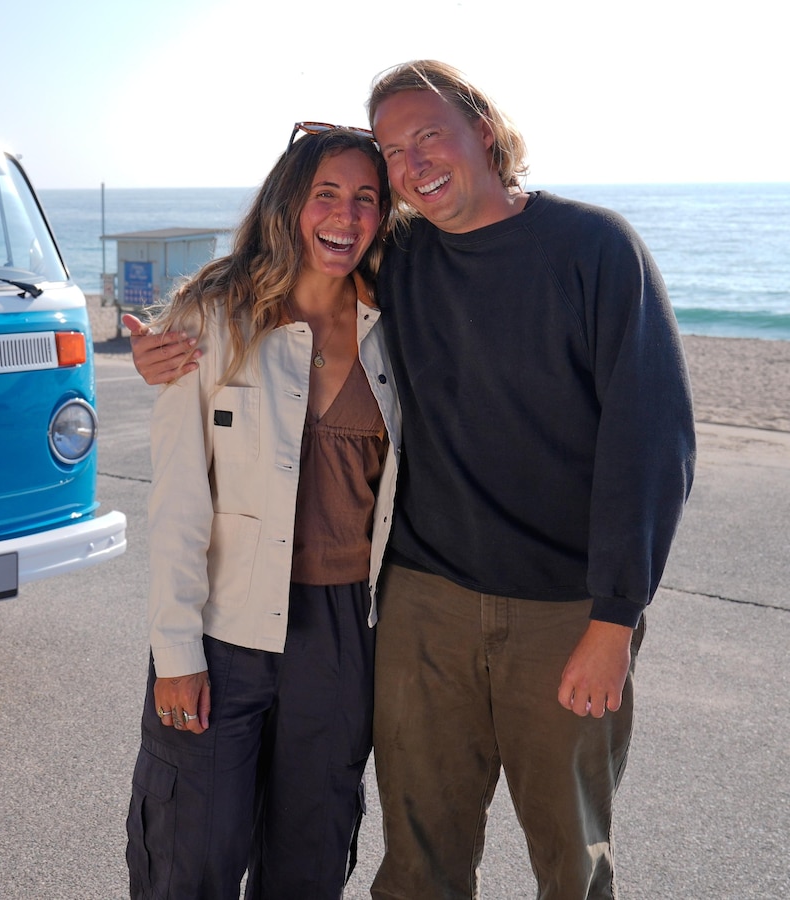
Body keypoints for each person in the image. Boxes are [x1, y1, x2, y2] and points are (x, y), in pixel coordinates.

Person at [127, 61, 696, 900]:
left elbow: (653, 443)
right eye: (394, 151)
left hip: (521, 615)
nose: (411, 164)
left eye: (428, 136)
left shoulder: (570, 254)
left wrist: (617, 616)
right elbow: (181, 491)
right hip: (391, 608)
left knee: (560, 862)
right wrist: (164, 347)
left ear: (487, 133)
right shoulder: (333, 284)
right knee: (385, 861)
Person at [125, 125, 400, 899]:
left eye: (366, 199)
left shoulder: (399, 328)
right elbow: (177, 503)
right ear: (290, 201)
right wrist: (175, 654)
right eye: (327, 194)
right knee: (190, 861)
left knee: (309, 864)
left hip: (345, 637)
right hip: (222, 633)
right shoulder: (209, 318)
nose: (345, 216)